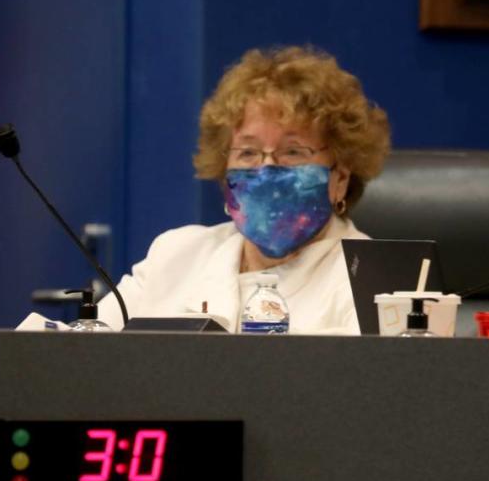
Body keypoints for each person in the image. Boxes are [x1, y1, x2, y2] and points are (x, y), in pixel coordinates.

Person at [97, 45, 390, 333]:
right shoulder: (176, 254)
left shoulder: (373, 281)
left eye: (292, 152)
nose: (266, 170)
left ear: (340, 178)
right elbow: (80, 348)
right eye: (248, 152)